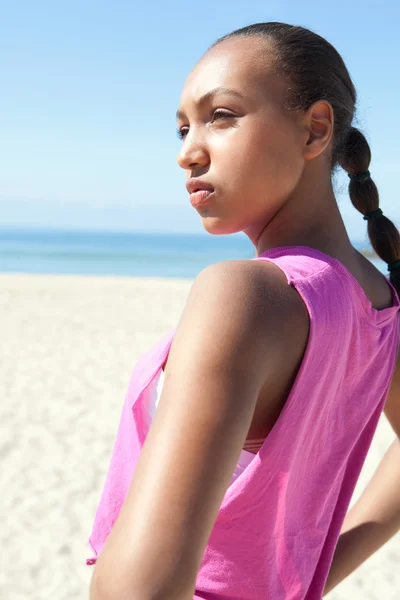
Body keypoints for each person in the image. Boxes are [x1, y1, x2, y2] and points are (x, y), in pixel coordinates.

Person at [87, 22, 400, 600]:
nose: (188, 152)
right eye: (183, 128)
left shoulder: (244, 294)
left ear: (315, 129)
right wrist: (307, 577)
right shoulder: (381, 303)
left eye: (221, 115)